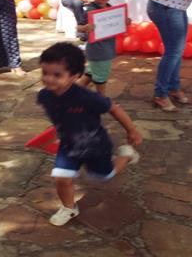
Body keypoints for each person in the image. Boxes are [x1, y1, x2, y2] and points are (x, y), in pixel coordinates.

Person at [36, 42, 142, 226]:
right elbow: (61, 116)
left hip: (95, 146)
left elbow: (114, 108)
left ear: (75, 76)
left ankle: (126, 155)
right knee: (62, 178)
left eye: (57, 75)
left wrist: (131, 130)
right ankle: (69, 208)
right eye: (45, 73)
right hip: (69, 146)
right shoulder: (44, 96)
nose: (49, 79)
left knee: (104, 176)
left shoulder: (86, 97)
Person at [75, 0, 120, 96]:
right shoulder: (90, 9)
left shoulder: (109, 7)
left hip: (107, 47)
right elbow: (78, 27)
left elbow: (115, 24)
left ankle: (70, 93)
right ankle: (102, 99)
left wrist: (124, 22)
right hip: (98, 50)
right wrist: (85, 28)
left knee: (90, 73)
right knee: (101, 76)